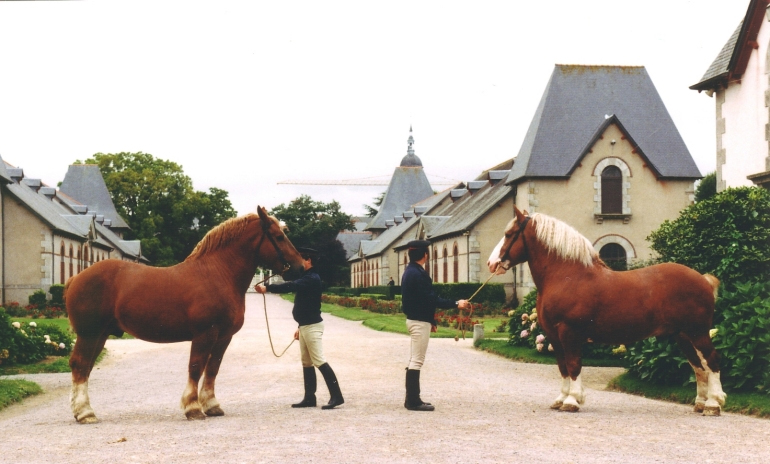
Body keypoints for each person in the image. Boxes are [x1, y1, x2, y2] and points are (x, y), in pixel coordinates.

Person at [255, 247, 344, 410]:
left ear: (309, 261)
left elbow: (290, 286)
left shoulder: (311, 278)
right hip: (305, 326)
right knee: (306, 362)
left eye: (301, 259)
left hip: (312, 326)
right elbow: (306, 305)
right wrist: (299, 326)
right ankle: (310, 397)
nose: (299, 262)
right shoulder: (308, 277)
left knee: (319, 360)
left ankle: (337, 396)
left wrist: (268, 288)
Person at [400, 240, 469, 411]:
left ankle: (412, 398)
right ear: (425, 255)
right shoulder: (419, 274)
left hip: (416, 319)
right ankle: (413, 401)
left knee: (414, 359)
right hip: (418, 322)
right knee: (417, 360)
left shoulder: (409, 272)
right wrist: (456, 303)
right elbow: (431, 299)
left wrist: (431, 320)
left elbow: (420, 301)